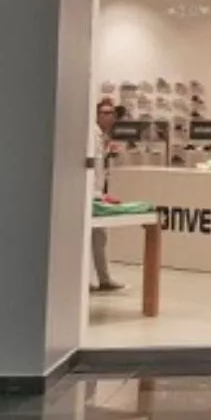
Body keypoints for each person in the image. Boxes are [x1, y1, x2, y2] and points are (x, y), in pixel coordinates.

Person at [89, 99, 123, 293]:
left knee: (99, 237)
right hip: (91, 195)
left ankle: (103, 279)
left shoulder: (102, 136)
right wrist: (95, 194)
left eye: (111, 113)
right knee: (94, 237)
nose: (109, 117)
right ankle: (97, 279)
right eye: (105, 113)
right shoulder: (92, 135)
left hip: (97, 193)